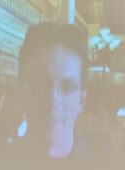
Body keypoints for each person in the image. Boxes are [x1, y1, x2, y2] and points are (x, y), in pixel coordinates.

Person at [9, 22, 88, 159]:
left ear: (82, 100)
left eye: (68, 87)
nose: (52, 101)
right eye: (39, 84)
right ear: (20, 92)